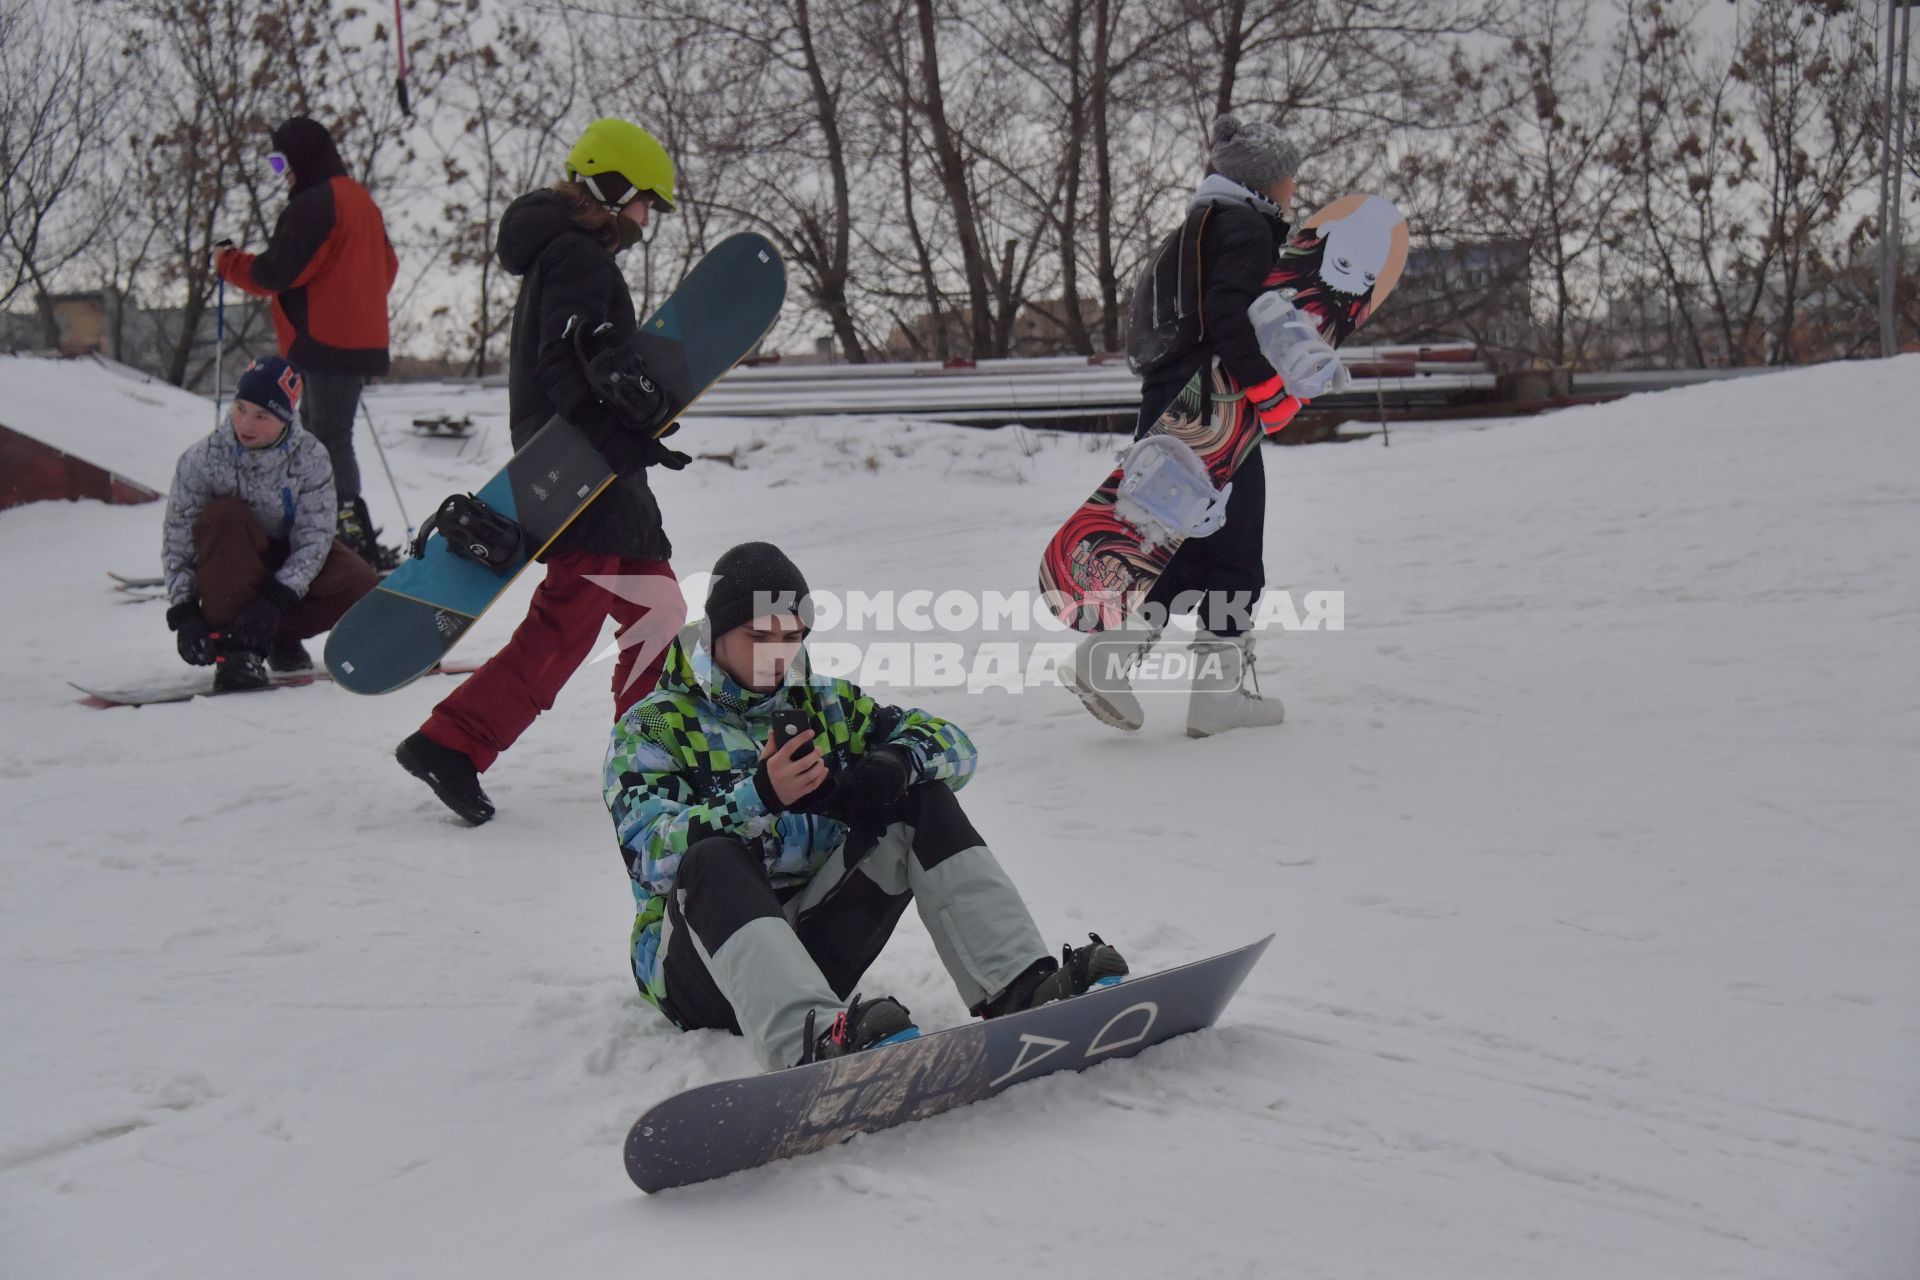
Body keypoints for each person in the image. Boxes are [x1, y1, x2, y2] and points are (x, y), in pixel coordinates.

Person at [603, 541, 1130, 1072]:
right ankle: (808, 1043)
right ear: (715, 632)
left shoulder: (825, 702)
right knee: (711, 857)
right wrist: (758, 796)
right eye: (758, 636)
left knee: (922, 795)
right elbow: (649, 858)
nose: (776, 655)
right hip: (702, 972)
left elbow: (957, 747)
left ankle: (1023, 987)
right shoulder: (653, 726)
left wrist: (895, 762)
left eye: (791, 638)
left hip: (810, 946)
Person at [395, 118, 688, 826]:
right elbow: (568, 361)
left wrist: (630, 410)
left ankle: (655, 759)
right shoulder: (578, 257)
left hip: (596, 462)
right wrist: (619, 390)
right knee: (568, 624)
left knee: (660, 613)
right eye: (647, 200)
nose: (649, 217)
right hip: (579, 465)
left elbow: (581, 360)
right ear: (613, 187)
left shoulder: (566, 254)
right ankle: (451, 743)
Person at [1065, 113, 1337, 739]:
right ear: (1266, 184)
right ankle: (1207, 695)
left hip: (1174, 399)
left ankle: (1115, 660)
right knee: (1236, 553)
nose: (1293, 192)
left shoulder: (1195, 228)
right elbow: (1231, 315)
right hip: (1216, 404)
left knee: (1186, 542)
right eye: (1289, 182)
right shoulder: (1246, 227)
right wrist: (1267, 388)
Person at [215, 116, 400, 568]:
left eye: (282, 161)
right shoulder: (360, 201)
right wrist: (355, 301)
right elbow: (387, 266)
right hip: (357, 339)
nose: (283, 173)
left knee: (329, 437)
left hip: (323, 340)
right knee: (322, 435)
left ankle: (345, 534)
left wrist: (228, 263)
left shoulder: (316, 203)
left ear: (302, 157)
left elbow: (278, 271)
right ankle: (333, 527)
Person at [162, 357, 379, 690]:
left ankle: (279, 637)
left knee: (359, 581)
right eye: (240, 408)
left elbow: (314, 537)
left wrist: (276, 599)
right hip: (230, 561)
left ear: (285, 418)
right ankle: (238, 650)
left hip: (286, 560)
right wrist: (185, 613)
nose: (246, 423)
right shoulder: (202, 460)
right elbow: (178, 541)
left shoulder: (311, 456)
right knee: (224, 515)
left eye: (261, 415)